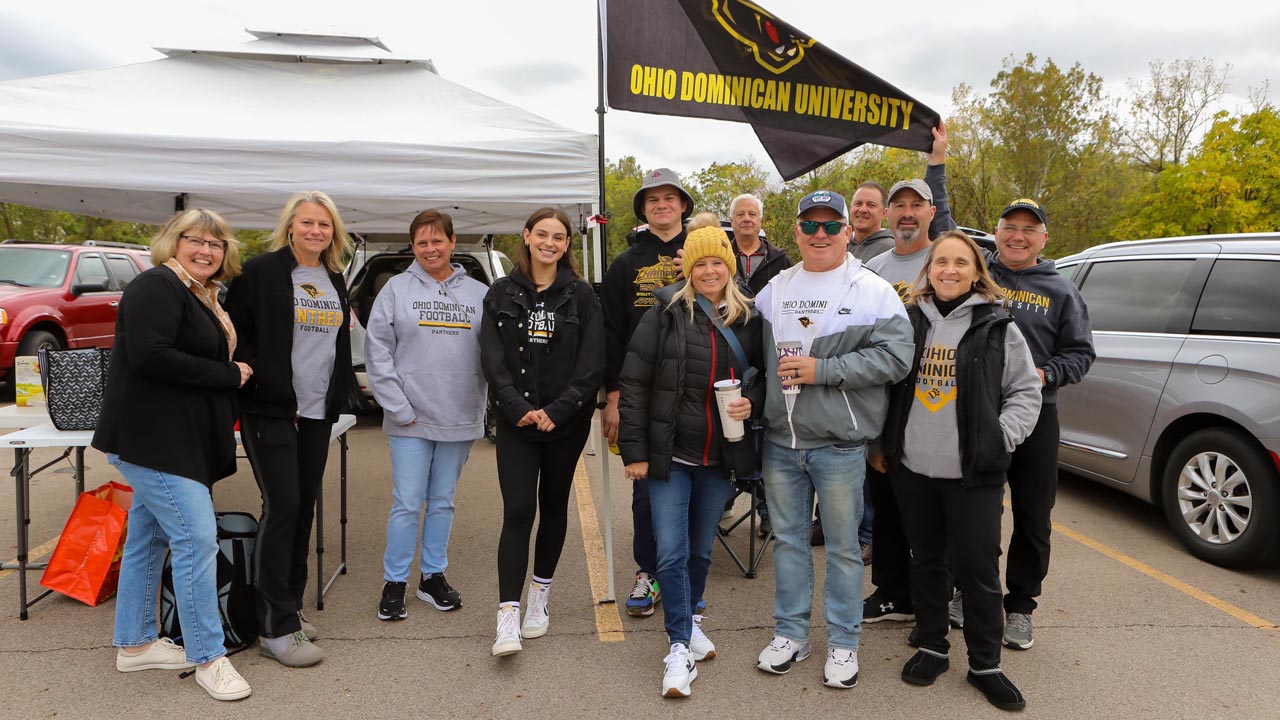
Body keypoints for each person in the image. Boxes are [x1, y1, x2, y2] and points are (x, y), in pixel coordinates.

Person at [753, 191, 914, 689]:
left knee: (844, 549)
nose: (819, 234)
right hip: (782, 442)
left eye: (830, 225)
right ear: (796, 232)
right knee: (789, 543)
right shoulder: (773, 290)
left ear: (848, 231)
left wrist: (825, 370)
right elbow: (756, 364)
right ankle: (792, 634)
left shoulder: (874, 289)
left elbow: (897, 358)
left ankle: (844, 644)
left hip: (840, 445)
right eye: (810, 225)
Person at [877, 230, 1042, 711]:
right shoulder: (907, 322)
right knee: (926, 559)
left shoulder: (998, 326)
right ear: (929, 270)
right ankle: (932, 646)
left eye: (960, 263)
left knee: (977, 569)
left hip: (974, 472)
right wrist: (880, 443)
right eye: (941, 262)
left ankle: (985, 664)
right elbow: (885, 386)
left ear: (976, 272)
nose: (949, 270)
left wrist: (1000, 436)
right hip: (913, 468)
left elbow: (1026, 392)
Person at [94, 208, 252, 701]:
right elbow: (151, 355)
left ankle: (136, 645)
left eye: (216, 243)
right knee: (196, 539)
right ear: (173, 241)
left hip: (174, 439)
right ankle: (209, 656)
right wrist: (230, 375)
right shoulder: (157, 286)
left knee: (148, 538)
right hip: (152, 441)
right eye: (195, 240)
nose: (206, 250)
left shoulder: (199, 293)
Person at [618, 225, 765, 697]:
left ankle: (692, 618)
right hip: (670, 457)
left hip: (719, 458)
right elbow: (635, 382)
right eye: (699, 263)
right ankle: (678, 647)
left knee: (701, 551)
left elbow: (763, 377)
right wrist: (636, 452)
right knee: (672, 552)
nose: (708, 270)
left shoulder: (750, 319)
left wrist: (752, 403)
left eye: (716, 262)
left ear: (730, 266)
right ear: (688, 268)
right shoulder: (664, 312)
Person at [225, 191, 353, 668]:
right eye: (307, 223)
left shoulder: (334, 278)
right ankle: (274, 628)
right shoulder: (262, 273)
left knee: (302, 510)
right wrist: (266, 382)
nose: (316, 231)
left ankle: (289, 609)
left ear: (333, 232)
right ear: (291, 227)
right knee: (282, 506)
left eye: (324, 224)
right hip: (272, 410)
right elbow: (236, 337)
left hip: (318, 413)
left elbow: (334, 343)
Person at [480, 208, 604, 656]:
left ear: (567, 244)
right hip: (518, 423)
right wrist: (517, 407)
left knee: (553, 507)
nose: (550, 243)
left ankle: (540, 597)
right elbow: (492, 359)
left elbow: (592, 363)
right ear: (527, 236)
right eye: (543, 234)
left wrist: (559, 408)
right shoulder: (500, 293)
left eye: (560, 237)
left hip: (563, 424)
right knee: (517, 512)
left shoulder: (582, 295)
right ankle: (507, 615)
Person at [974, 199, 1095, 651]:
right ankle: (969, 590)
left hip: (1037, 415)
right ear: (997, 231)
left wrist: (1046, 373)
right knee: (975, 508)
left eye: (1029, 229)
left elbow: (1081, 354)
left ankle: (1021, 607)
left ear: (1044, 239)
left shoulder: (1062, 290)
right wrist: (938, 166)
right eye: (1010, 227)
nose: (1018, 236)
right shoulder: (978, 276)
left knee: (1032, 513)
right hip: (979, 411)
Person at [365, 209, 488, 622]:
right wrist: (397, 406)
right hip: (409, 419)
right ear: (412, 247)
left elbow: (493, 354)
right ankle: (395, 581)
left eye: (437, 240)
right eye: (421, 242)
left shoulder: (478, 294)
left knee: (442, 503)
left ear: (453, 243)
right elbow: (377, 351)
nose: (430, 248)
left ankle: (432, 577)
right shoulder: (396, 290)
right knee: (406, 502)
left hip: (458, 416)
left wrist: (487, 405)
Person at [859, 174, 958, 627]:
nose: (906, 213)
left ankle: (938, 597)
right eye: (898, 205)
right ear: (887, 215)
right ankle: (893, 593)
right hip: (886, 402)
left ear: (930, 211)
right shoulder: (874, 268)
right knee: (888, 501)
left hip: (936, 400)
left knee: (934, 508)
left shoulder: (944, 262)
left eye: (915, 205)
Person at [601, 167, 694, 618]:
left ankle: (687, 571)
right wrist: (612, 396)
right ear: (643, 208)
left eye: (669, 197)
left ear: (682, 204)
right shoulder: (624, 263)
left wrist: (692, 271)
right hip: (639, 391)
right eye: (652, 199)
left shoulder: (703, 253)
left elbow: (736, 308)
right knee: (643, 484)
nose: (661, 205)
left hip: (695, 387)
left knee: (699, 481)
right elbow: (612, 333)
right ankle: (648, 570)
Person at [728, 193, 792, 295]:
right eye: (740, 214)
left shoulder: (781, 261)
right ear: (731, 220)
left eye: (752, 214)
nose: (747, 219)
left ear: (760, 220)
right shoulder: (721, 258)